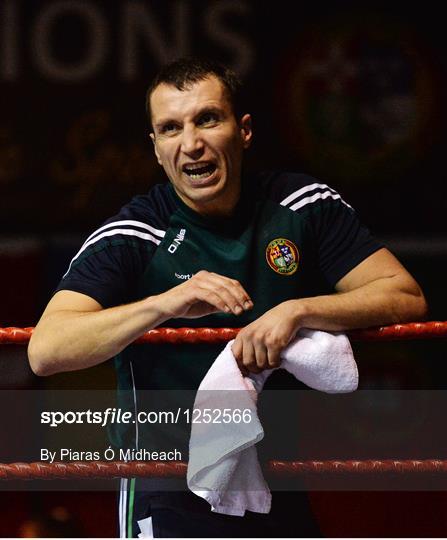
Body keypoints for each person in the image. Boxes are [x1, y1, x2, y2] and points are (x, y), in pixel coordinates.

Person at [28, 57, 427, 538]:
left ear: (244, 131)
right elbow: (45, 350)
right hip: (168, 487)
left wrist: (299, 310)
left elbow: (403, 294)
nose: (191, 143)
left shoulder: (301, 205)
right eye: (170, 128)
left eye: (207, 119)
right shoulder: (135, 233)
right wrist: (167, 303)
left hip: (279, 479)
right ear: (156, 149)